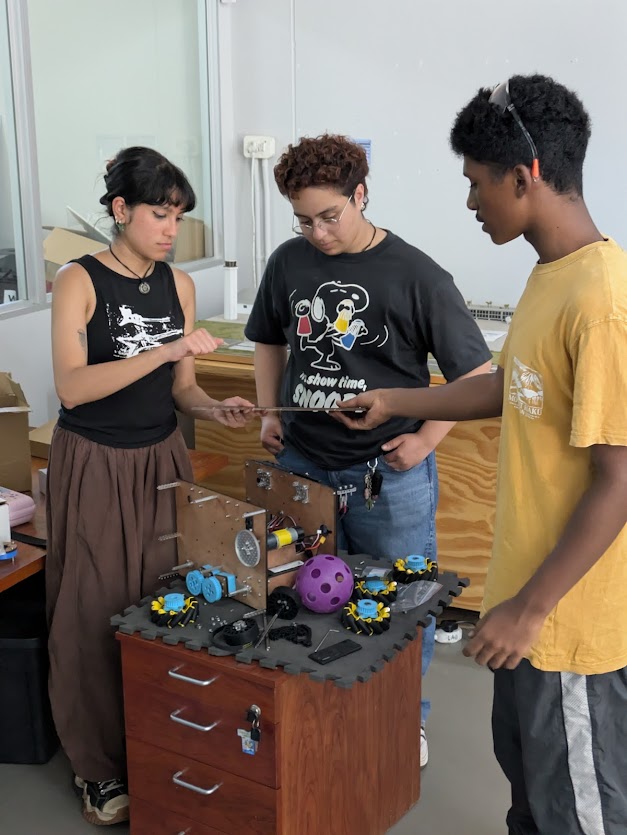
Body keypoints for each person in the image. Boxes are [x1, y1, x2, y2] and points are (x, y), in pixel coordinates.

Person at [336, 75, 627, 834]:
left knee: (578, 813)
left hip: (565, 627)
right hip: (524, 603)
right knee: (530, 799)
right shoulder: (550, 275)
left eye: (475, 183)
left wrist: (530, 612)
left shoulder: (601, 302)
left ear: (522, 176)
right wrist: (400, 400)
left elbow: (619, 481)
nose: (469, 204)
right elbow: (509, 386)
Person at [244, 134, 493, 768]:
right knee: (301, 590)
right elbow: (268, 340)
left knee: (401, 600)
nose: (318, 233)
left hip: (388, 471)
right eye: (304, 219)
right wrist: (270, 410)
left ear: (361, 194)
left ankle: (404, 718)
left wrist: (424, 439)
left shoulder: (416, 274)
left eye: (330, 216)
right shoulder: (288, 262)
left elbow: (476, 374)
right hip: (301, 461)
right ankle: (318, 701)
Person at [46, 146, 254, 826]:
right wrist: (163, 349)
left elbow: (182, 388)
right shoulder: (78, 280)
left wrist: (210, 409)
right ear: (120, 210)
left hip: (162, 456)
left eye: (178, 217)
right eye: (159, 214)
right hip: (97, 460)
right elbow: (73, 388)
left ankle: (158, 741)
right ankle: (97, 766)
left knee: (166, 598)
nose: (170, 228)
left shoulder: (178, 286)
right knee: (91, 606)